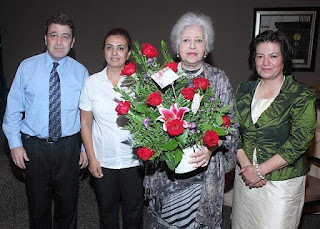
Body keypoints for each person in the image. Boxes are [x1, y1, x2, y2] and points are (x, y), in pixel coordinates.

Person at [144, 12, 238, 228]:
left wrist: (213, 147)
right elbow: (147, 123)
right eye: (186, 40)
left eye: (199, 40)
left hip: (204, 175)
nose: (192, 45)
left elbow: (231, 126)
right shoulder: (163, 77)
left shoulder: (218, 80)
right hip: (167, 174)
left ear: (207, 47)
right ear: (177, 46)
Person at [2, 13, 89, 229]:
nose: (59, 42)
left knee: (67, 208)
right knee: (37, 208)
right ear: (45, 38)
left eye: (65, 36)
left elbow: (88, 116)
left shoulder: (81, 73)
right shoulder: (26, 67)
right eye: (54, 35)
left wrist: (86, 148)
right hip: (34, 149)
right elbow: (12, 110)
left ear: (73, 42)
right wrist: (15, 145)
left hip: (69, 147)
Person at [232, 30, 317, 229]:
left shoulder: (301, 94)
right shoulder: (243, 90)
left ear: (284, 59)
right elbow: (232, 130)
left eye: (273, 56)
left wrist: (260, 171)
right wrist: (247, 168)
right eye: (260, 56)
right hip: (245, 176)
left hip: (282, 182)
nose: (265, 62)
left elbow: (300, 141)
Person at [79, 28, 144, 229]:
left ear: (128, 53)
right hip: (103, 161)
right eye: (109, 48)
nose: (114, 53)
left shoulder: (139, 84)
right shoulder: (92, 83)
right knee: (107, 213)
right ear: (104, 51)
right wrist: (92, 158)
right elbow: (86, 124)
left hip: (133, 162)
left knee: (134, 213)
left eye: (120, 48)